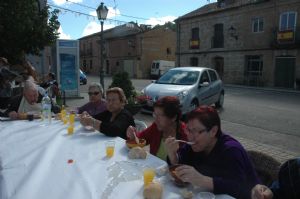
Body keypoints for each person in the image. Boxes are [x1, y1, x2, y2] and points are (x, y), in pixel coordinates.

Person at [165, 105, 260, 199]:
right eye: (188, 130)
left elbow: (240, 187)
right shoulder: (196, 145)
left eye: (195, 131)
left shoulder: (231, 150)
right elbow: (182, 160)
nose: (190, 136)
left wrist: (202, 180)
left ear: (213, 131)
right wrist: (173, 155)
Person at [126, 96, 187, 161]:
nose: (156, 120)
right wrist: (133, 136)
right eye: (155, 114)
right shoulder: (156, 127)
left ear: (174, 117)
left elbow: (184, 164)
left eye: (161, 116)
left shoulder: (186, 134)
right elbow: (140, 140)